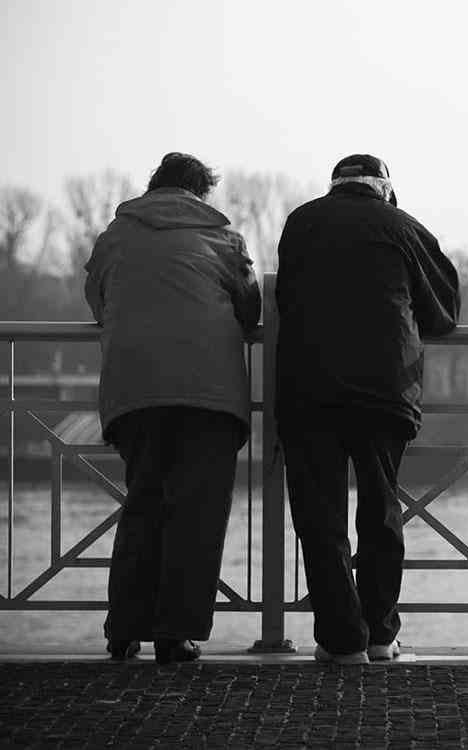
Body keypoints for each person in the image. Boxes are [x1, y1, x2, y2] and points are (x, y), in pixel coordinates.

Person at [275, 154, 460, 664]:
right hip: (384, 392)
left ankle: (342, 641)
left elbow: (285, 298)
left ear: (334, 187)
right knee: (380, 512)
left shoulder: (301, 223)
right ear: (385, 189)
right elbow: (444, 312)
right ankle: (380, 634)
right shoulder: (402, 227)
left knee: (320, 519)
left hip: (308, 391)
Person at [84, 152, 261, 664]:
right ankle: (174, 634)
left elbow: (98, 300)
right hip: (209, 397)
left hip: (134, 392)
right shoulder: (223, 239)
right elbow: (250, 311)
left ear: (154, 186)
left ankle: (123, 630)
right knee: (196, 516)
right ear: (201, 193)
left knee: (142, 504)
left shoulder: (115, 236)